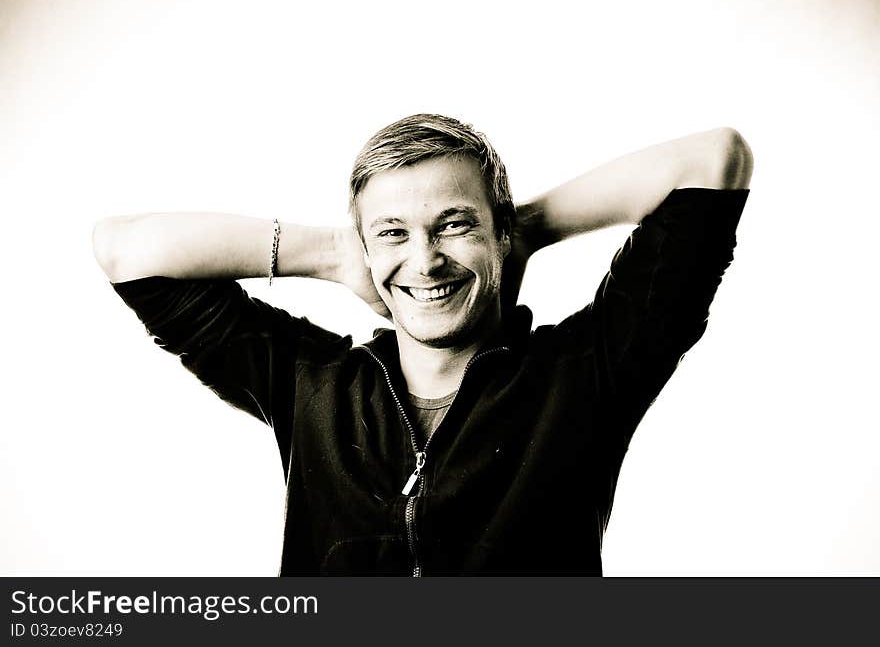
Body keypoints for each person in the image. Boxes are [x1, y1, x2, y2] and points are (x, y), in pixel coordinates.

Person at [93, 114, 753, 575]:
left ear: (501, 233)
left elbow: (714, 159)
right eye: (393, 233)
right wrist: (330, 253)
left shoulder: (587, 372)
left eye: (454, 224)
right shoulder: (307, 381)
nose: (426, 260)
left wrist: (524, 228)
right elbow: (124, 249)